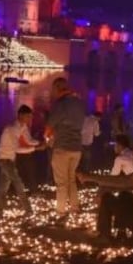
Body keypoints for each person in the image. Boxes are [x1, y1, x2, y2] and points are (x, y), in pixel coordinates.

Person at [77, 143, 133, 242]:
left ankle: (103, 235)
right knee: (125, 195)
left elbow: (120, 182)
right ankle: (121, 232)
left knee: (107, 198)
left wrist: (89, 177)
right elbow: (124, 184)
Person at [46, 77, 86, 217]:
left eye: (53, 89)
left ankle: (61, 211)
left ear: (57, 88)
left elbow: (51, 124)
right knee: (71, 180)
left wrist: (47, 136)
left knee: (61, 183)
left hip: (62, 147)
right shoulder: (79, 103)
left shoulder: (60, 104)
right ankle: (75, 208)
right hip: (77, 148)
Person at [0, 105, 37, 220]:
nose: (29, 119)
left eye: (30, 117)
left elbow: (29, 140)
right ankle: (28, 210)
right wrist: (36, 149)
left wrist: (41, 143)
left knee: (3, 188)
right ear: (20, 116)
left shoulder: (23, 127)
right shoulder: (10, 129)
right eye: (28, 117)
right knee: (18, 184)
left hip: (11, 159)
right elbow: (17, 148)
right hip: (4, 160)